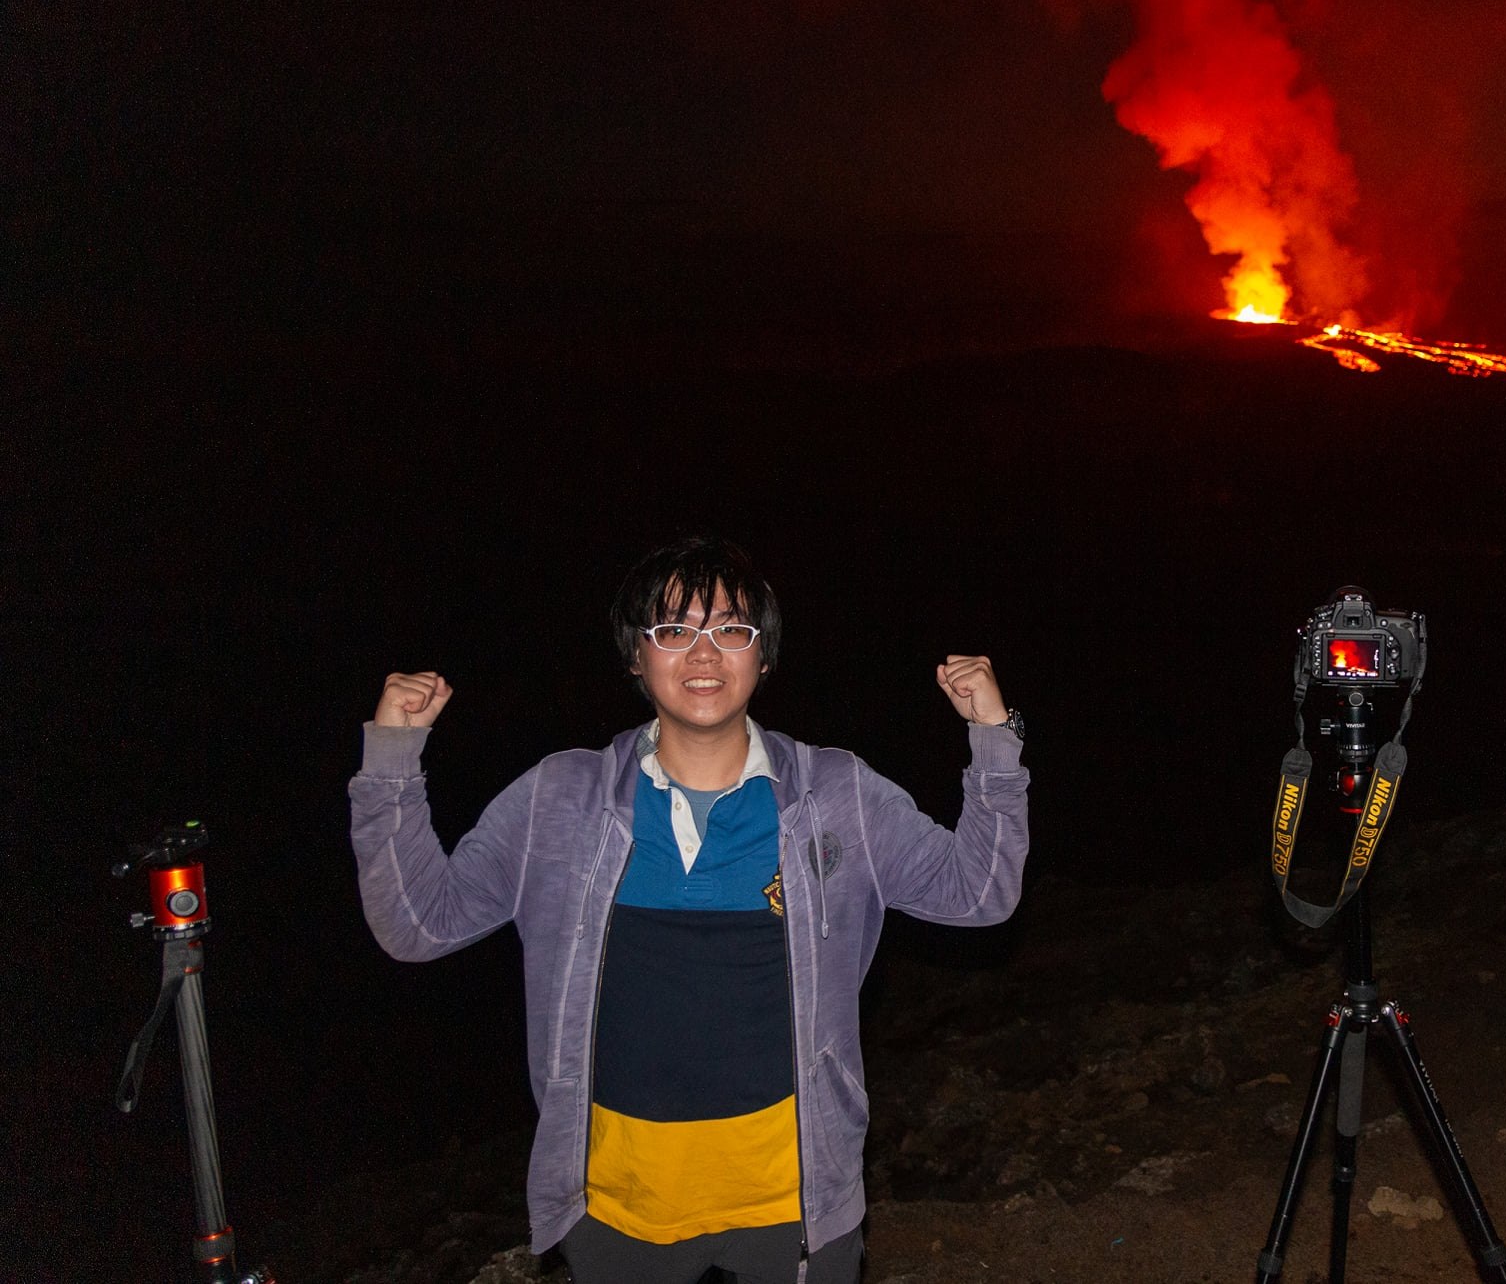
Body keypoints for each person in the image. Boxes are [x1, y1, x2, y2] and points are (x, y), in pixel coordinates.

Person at [348, 537, 1028, 1283]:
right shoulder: (560, 798)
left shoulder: (837, 794)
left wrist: (993, 738)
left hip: (795, 1202)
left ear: (762, 656)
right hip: (616, 1208)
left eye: (730, 629)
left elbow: (979, 894)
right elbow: (418, 923)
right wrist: (393, 756)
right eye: (672, 630)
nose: (703, 652)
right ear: (636, 659)